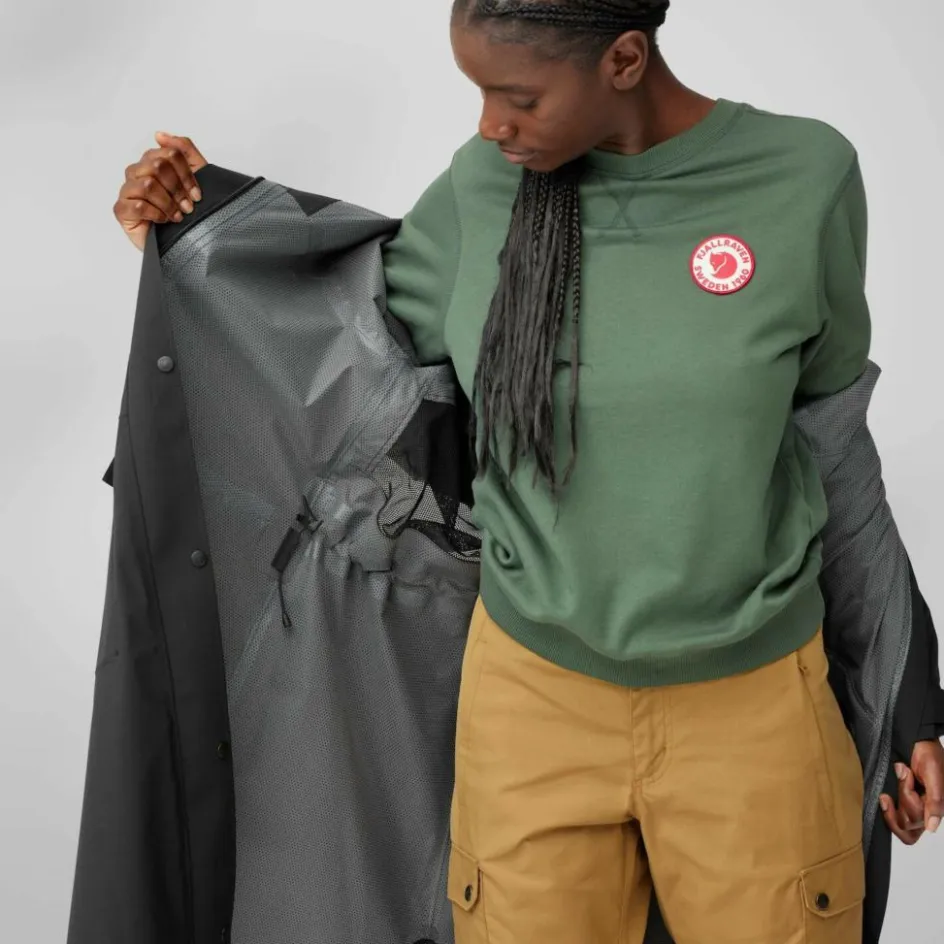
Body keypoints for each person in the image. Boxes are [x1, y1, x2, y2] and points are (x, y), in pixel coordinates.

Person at [113, 2, 944, 941]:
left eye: (519, 97)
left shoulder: (805, 177)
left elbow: (835, 446)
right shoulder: (484, 188)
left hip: (755, 708)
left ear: (624, 59)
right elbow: (336, 334)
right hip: (531, 706)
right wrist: (194, 241)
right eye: (479, 92)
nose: (490, 125)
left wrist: (908, 682)